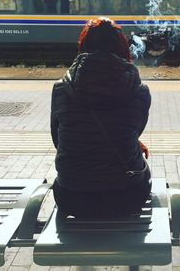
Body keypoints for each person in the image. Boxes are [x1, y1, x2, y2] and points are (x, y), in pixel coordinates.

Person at [51, 17, 152, 218]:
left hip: (71, 197)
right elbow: (133, 131)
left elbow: (58, 140)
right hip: (127, 197)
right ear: (123, 47)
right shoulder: (139, 91)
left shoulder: (61, 88)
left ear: (83, 46)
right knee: (141, 166)